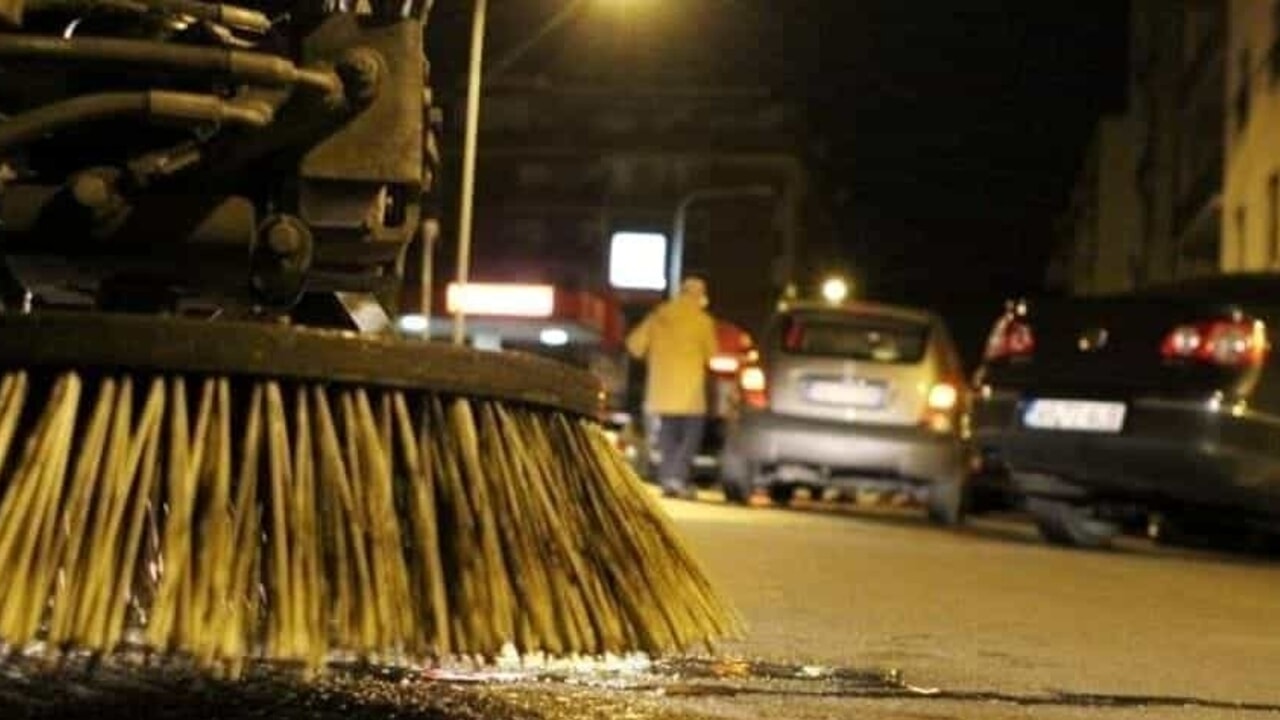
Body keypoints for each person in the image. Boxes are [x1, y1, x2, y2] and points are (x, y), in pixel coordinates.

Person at [625, 276, 720, 499]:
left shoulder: (659, 315)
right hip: (690, 393)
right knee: (691, 437)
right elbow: (712, 354)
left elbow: (634, 345)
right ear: (700, 295)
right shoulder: (702, 321)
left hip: (662, 390)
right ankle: (677, 478)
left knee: (668, 436)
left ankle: (669, 477)